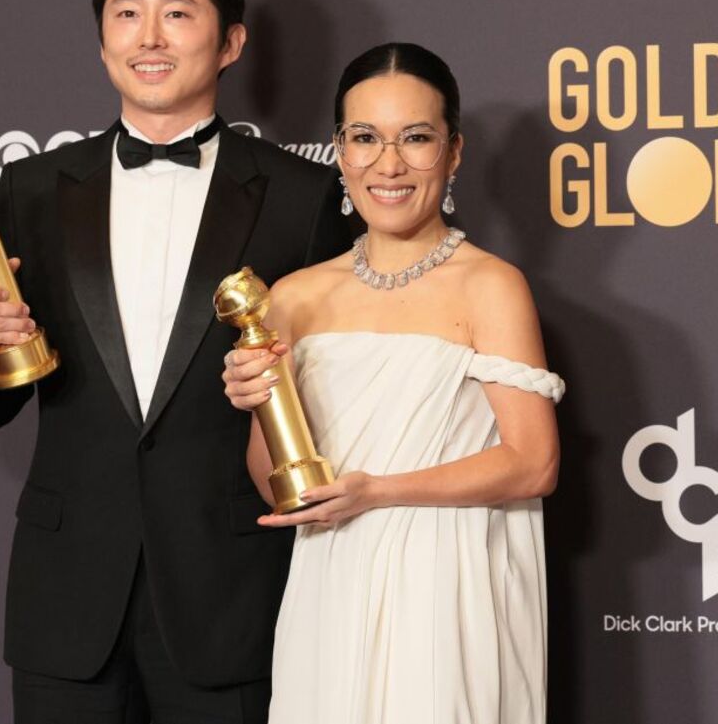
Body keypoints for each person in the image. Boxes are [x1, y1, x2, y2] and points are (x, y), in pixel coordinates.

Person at [0, 0, 350, 722]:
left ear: (231, 41)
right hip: (66, 604)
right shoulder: (30, 190)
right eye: (126, 12)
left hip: (231, 599)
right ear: (101, 39)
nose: (149, 35)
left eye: (178, 11)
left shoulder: (302, 199)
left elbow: (333, 388)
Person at [221, 42, 564, 723]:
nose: (389, 164)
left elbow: (535, 462)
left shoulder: (490, 286)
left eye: (416, 138)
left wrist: (378, 491)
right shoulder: (291, 296)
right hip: (330, 589)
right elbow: (277, 484)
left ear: (454, 151)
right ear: (339, 150)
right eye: (365, 138)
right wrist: (261, 401)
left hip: (450, 589)